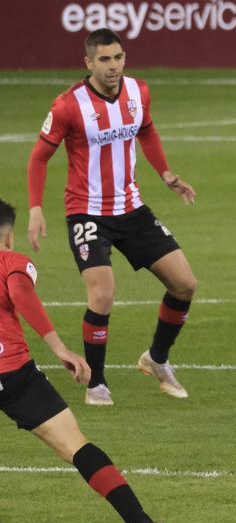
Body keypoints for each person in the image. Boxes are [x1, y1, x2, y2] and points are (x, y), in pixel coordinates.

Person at [0, 199, 198, 523]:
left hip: (14, 373)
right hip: (13, 373)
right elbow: (20, 293)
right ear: (9, 236)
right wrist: (59, 347)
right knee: (77, 446)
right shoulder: (12, 262)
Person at [26, 28, 198, 406]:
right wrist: (36, 208)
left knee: (185, 283)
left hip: (131, 208)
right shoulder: (68, 106)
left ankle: (156, 358)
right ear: (88, 63)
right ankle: (97, 384)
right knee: (102, 296)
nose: (113, 66)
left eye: (118, 57)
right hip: (87, 213)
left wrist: (166, 174)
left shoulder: (139, 92)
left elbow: (147, 130)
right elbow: (39, 157)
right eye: (104, 59)